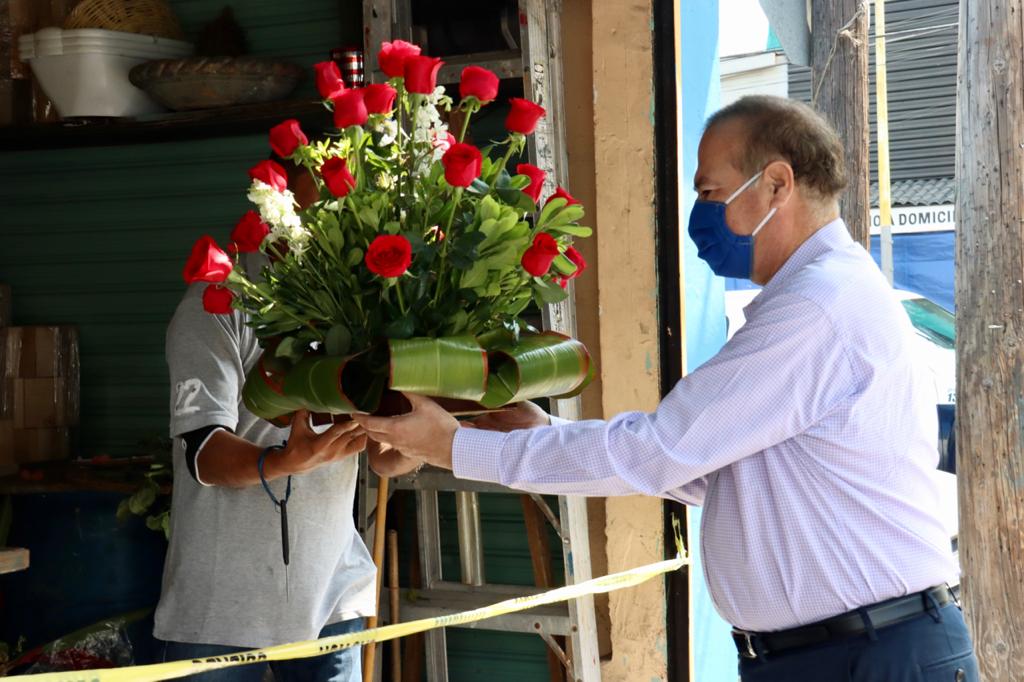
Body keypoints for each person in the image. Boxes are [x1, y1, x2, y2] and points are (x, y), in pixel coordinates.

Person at [354, 96, 980, 682]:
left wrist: (456, 448)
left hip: (867, 654)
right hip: (835, 650)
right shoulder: (811, 297)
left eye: (710, 191)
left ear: (777, 184)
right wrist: (542, 435)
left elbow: (660, 451)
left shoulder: (817, 308)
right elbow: (715, 468)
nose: (700, 213)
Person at [154, 158, 417, 681]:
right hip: (221, 609)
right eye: (311, 214)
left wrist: (422, 427)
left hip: (330, 599)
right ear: (277, 212)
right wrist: (285, 459)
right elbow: (203, 455)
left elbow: (388, 459)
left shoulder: (353, 311)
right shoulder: (218, 303)